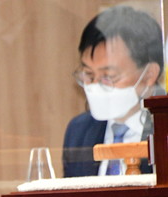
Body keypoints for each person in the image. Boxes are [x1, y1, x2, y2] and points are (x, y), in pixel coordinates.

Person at [63, 5, 164, 177]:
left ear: (149, 74)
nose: (95, 86)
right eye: (89, 74)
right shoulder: (78, 131)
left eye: (108, 76)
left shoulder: (163, 128)